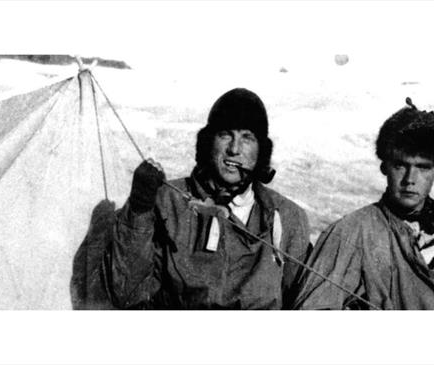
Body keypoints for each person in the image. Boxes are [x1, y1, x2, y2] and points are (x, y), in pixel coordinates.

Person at [99, 88, 311, 309]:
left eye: (247, 137)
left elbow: (300, 302)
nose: (234, 149)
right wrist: (139, 209)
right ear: (209, 142)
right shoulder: (167, 202)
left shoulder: (287, 218)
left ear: (261, 152)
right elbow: (126, 294)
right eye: (225, 134)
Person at [293, 98, 434, 310]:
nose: (410, 179)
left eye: (423, 168)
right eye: (400, 166)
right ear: (384, 167)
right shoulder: (350, 233)